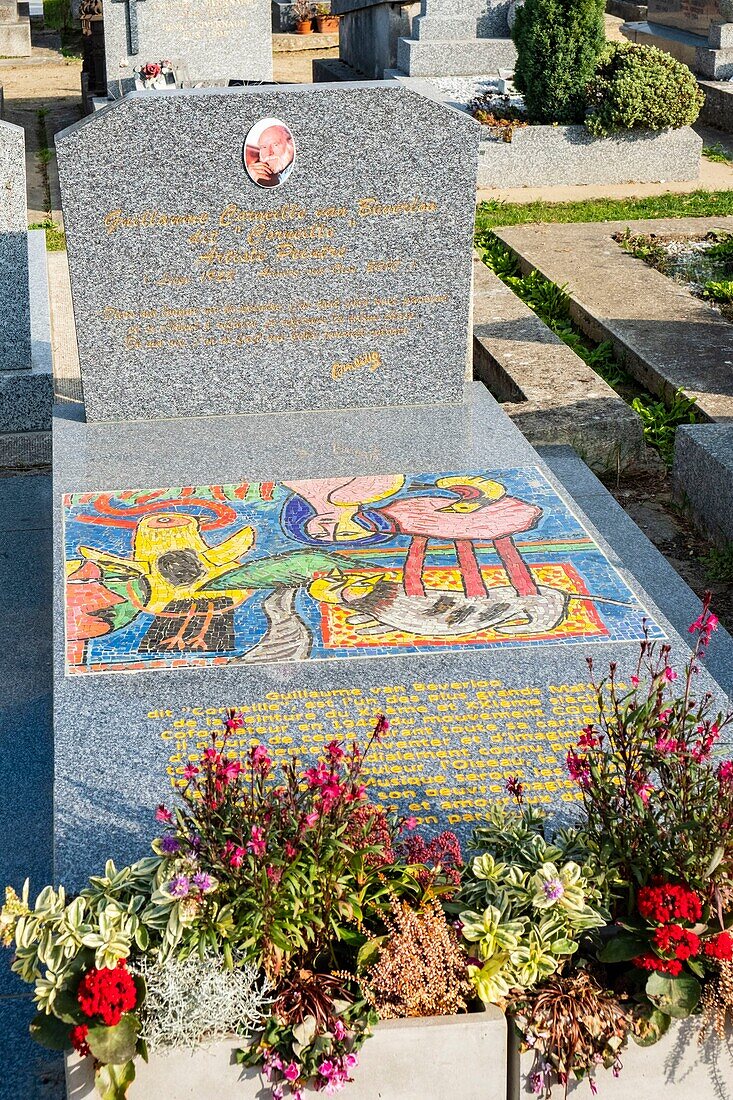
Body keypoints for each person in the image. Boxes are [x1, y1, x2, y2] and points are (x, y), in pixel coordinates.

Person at [245, 123, 295, 188]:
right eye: (264, 147)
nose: (268, 153)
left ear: (291, 144)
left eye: (275, 145)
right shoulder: (267, 175)